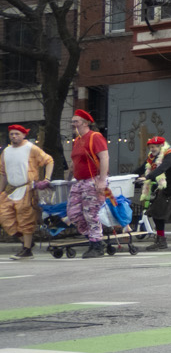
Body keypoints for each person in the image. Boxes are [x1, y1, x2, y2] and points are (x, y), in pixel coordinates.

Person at [3, 124, 55, 259]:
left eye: (17, 134)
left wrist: (47, 179)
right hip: (11, 189)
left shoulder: (31, 148)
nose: (14, 136)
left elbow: (49, 160)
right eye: (11, 134)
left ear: (23, 135)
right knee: (4, 216)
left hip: (27, 188)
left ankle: (26, 249)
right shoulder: (6, 151)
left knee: (26, 219)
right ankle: (27, 242)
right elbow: (2, 173)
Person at [66, 109, 113, 258]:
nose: (73, 124)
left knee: (91, 213)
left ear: (85, 123)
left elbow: (104, 157)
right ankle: (95, 239)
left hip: (93, 180)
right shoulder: (77, 140)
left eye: (76, 121)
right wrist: (69, 178)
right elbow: (74, 162)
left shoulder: (95, 137)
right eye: (72, 121)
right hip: (79, 181)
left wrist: (102, 180)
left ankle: (96, 245)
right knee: (73, 213)